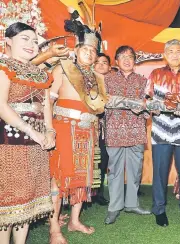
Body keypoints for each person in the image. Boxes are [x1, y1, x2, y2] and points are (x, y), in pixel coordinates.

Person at [48, 13, 108, 243]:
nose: (90, 53)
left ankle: (74, 220)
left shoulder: (97, 77)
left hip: (88, 131)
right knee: (60, 178)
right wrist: (47, 128)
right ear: (77, 48)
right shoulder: (62, 68)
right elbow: (48, 100)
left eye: (94, 50)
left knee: (83, 179)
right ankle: (54, 228)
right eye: (86, 49)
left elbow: (100, 107)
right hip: (64, 128)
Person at [0, 22, 55, 244]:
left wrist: (50, 131)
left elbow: (47, 107)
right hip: (9, 143)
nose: (31, 44)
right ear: (8, 42)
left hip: (37, 144)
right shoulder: (3, 66)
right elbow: (2, 106)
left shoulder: (41, 74)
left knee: (28, 200)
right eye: (25, 38)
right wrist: (31, 131)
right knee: (9, 202)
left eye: (34, 40)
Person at [144, 39, 180, 227]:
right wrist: (154, 108)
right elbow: (146, 98)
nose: (174, 54)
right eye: (171, 51)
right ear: (165, 54)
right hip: (161, 129)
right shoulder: (155, 74)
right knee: (160, 171)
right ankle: (159, 209)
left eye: (178, 51)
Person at [103, 45, 151, 225]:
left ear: (135, 60)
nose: (126, 59)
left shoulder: (143, 80)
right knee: (115, 170)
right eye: (122, 56)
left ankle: (132, 203)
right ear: (116, 61)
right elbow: (101, 103)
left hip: (136, 130)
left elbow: (148, 104)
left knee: (135, 169)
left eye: (130, 56)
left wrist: (144, 107)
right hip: (114, 129)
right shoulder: (107, 80)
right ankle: (114, 207)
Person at [93, 53, 111, 206]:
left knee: (102, 161)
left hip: (106, 130)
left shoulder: (113, 84)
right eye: (97, 62)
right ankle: (82, 194)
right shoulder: (85, 82)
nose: (100, 65)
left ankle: (98, 193)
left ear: (110, 67)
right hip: (86, 127)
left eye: (104, 62)